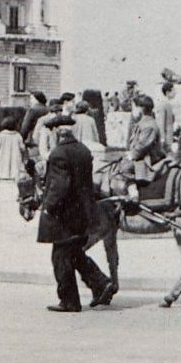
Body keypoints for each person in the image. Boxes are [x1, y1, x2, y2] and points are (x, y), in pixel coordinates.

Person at [37, 116, 116, 312]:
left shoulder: (58, 154)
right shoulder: (83, 150)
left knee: (60, 257)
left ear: (56, 131)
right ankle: (101, 284)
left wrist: (49, 206)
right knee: (74, 254)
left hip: (65, 217)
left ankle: (70, 301)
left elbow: (60, 186)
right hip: (83, 213)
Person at [121, 94, 165, 202]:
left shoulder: (149, 125)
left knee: (125, 167)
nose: (133, 111)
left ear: (141, 109)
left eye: (134, 108)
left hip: (148, 159)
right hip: (142, 156)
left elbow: (143, 145)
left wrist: (132, 155)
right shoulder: (142, 123)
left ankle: (133, 193)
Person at [0, 116, 27, 182]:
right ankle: (13, 175)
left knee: (2, 166)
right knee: (15, 167)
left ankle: (3, 175)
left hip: (3, 157)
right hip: (15, 157)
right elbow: (22, 148)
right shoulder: (18, 136)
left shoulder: (1, 136)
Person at [158, 82, 177, 156]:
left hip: (169, 137)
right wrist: (162, 138)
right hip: (166, 138)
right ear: (167, 92)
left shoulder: (168, 103)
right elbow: (161, 122)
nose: (175, 93)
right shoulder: (163, 104)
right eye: (173, 90)